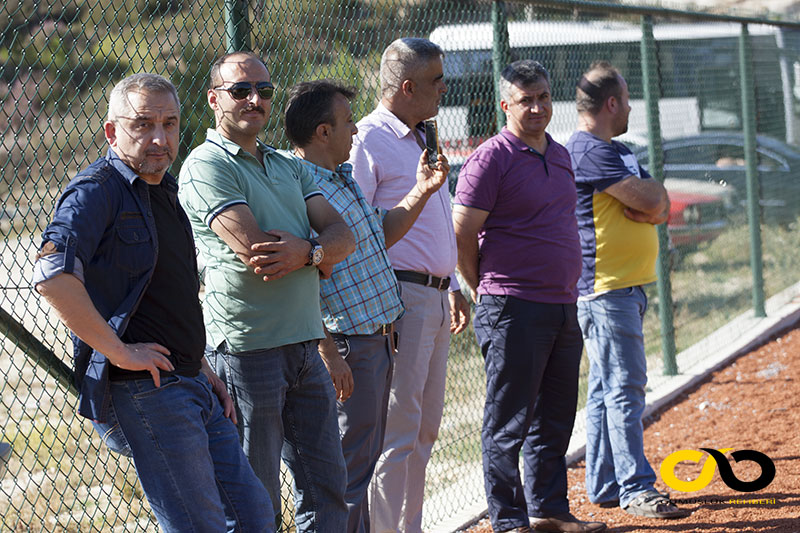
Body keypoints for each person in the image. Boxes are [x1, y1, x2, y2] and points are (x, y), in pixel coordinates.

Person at [32, 73, 273, 532]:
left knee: (255, 515)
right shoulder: (97, 190)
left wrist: (200, 367)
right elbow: (52, 275)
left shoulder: (166, 188)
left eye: (169, 123)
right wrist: (119, 351)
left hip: (191, 382)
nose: (159, 138)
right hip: (146, 391)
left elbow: (166, 293)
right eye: (142, 125)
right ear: (111, 131)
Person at [178, 52, 355, 531]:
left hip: (304, 346)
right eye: (240, 91)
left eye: (264, 91)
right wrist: (315, 253)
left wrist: (309, 253)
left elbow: (345, 235)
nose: (254, 99)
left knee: (327, 489)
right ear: (214, 99)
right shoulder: (205, 166)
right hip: (247, 349)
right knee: (254, 501)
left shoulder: (286, 165)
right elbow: (259, 255)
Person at [284, 79, 450, 533]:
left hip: (376, 342)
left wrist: (421, 190)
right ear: (322, 132)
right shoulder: (297, 188)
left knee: (361, 462)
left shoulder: (339, 179)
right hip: (348, 346)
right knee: (345, 472)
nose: (355, 130)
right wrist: (330, 353)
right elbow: (300, 283)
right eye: (346, 122)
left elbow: (382, 231)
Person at [452, 60, 606, 533]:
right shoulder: (491, 158)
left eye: (542, 97)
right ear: (505, 105)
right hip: (512, 307)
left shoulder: (559, 155)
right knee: (508, 422)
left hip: (563, 305)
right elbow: (461, 230)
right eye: (525, 100)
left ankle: (549, 512)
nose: (536, 107)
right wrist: (477, 286)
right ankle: (510, 521)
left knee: (555, 419)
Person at [348, 37, 471, 532]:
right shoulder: (366, 138)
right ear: (406, 87)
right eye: (436, 80)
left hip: (436, 294)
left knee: (424, 430)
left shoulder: (423, 133)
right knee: (397, 433)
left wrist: (455, 283)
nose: (444, 88)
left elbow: (435, 217)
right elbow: (354, 225)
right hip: (400, 297)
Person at [565, 61, 684, 519]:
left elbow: (658, 201)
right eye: (628, 98)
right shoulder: (589, 151)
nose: (631, 106)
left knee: (606, 388)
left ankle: (607, 483)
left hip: (625, 288)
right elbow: (654, 200)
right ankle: (636, 487)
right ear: (611, 103)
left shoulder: (616, 151)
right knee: (625, 387)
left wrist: (652, 204)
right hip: (605, 290)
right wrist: (651, 203)